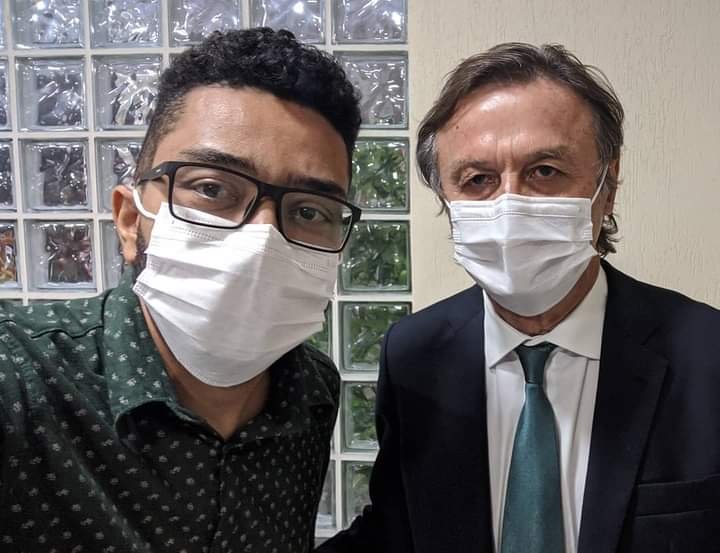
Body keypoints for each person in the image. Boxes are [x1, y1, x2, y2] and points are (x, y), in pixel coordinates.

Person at [318, 43, 720, 553]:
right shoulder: (414, 355)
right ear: (445, 199)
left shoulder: (706, 353)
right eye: (478, 180)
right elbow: (398, 528)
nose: (510, 203)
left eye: (545, 171)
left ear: (608, 186)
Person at [0, 28, 362, 552]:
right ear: (130, 220)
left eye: (309, 211)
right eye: (212, 188)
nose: (262, 238)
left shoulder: (311, 393)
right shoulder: (18, 379)